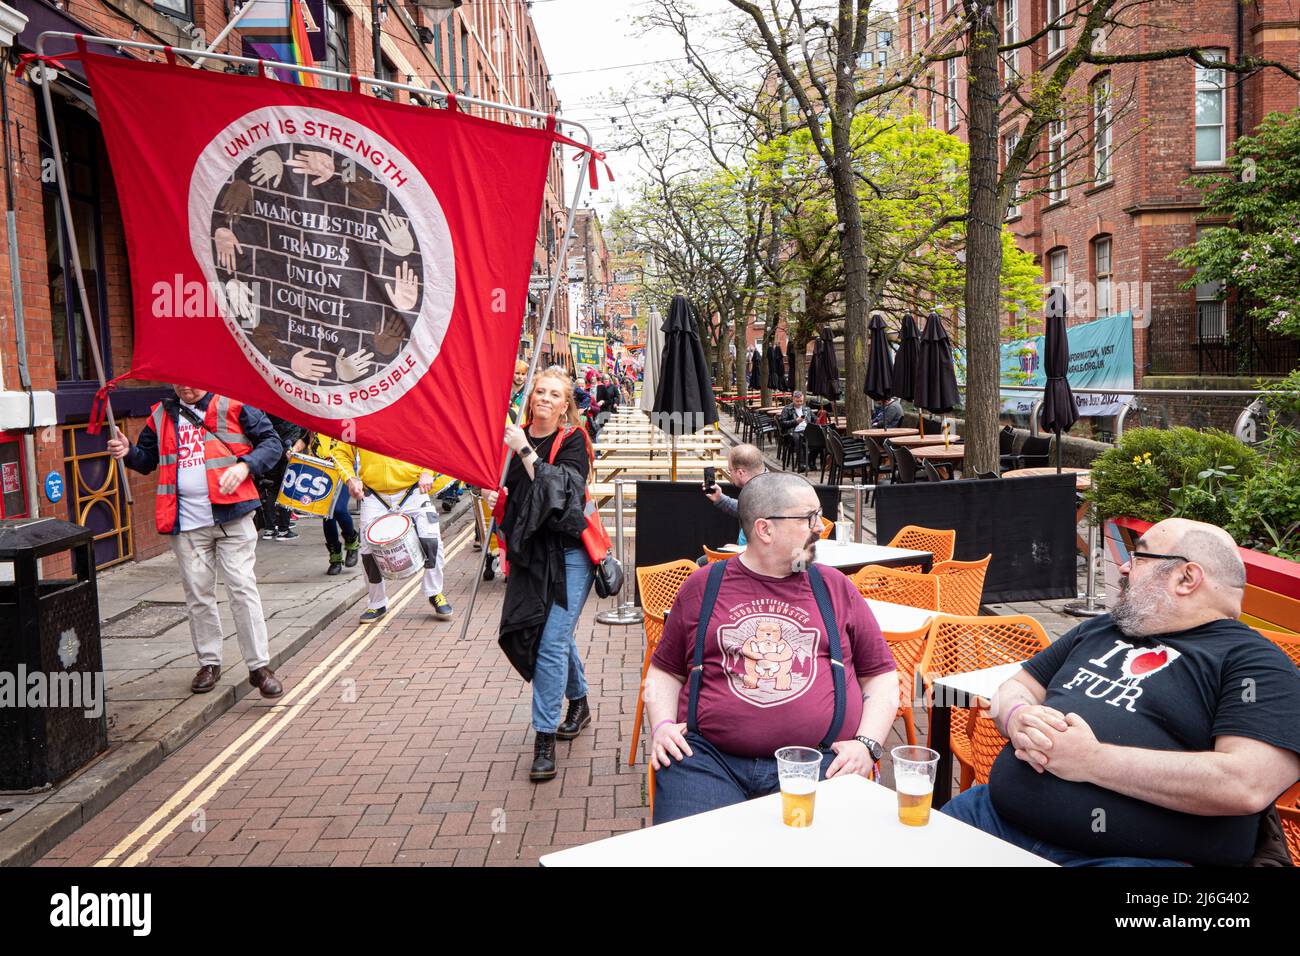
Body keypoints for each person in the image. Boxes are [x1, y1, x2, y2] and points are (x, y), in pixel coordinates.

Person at [943, 518, 1300, 866]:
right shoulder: (1104, 628)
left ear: (1187, 577)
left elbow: (1246, 783)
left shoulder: (1256, 664)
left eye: (1140, 557)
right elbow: (1017, 686)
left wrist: (1092, 761)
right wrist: (1017, 716)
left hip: (1130, 859)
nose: (1126, 567)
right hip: (992, 817)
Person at [645, 472, 899, 824]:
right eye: (809, 517)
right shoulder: (703, 586)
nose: (820, 527)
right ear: (765, 530)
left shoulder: (834, 587)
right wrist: (662, 727)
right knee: (691, 852)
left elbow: (882, 676)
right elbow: (665, 670)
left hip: (821, 762)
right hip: (708, 761)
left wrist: (867, 744)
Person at [107, 385, 285, 698]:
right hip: (187, 524)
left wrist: (246, 466)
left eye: (191, 381)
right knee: (198, 594)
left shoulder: (233, 402)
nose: (186, 388)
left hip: (232, 516)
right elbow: (147, 460)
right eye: (178, 382)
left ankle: (259, 667)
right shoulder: (160, 414)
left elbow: (272, 444)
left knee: (241, 588)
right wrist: (128, 452)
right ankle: (209, 662)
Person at [485, 366, 597, 783]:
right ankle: (580, 701)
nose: (545, 399)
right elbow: (513, 495)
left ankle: (544, 737)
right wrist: (494, 489)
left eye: (554, 394)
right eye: (540, 392)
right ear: (531, 397)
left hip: (571, 554)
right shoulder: (513, 438)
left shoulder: (573, 440)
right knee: (546, 633)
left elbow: (563, 495)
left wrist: (526, 452)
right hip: (532, 554)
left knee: (549, 642)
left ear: (566, 403)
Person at [331, 442, 454, 623]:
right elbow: (340, 453)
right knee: (367, 553)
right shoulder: (357, 417)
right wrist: (350, 479)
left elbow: (434, 441)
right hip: (373, 494)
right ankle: (377, 603)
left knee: (432, 540)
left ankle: (435, 592)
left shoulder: (413, 414)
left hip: (412, 490)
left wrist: (428, 471)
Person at [297, 431, 359, 576]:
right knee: (327, 514)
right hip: (318, 469)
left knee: (338, 509)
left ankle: (352, 540)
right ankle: (335, 558)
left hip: (342, 466)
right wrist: (294, 450)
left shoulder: (345, 414)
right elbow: (304, 438)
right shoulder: (312, 415)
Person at [703, 443, 766, 548]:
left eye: (730, 470)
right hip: (746, 553)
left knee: (702, 562)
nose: (730, 474)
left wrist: (740, 550)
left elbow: (768, 544)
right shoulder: (758, 485)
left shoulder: (765, 495)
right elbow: (746, 510)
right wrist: (720, 498)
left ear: (740, 473)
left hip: (752, 558)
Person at [257, 412, 306, 540]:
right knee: (287, 488)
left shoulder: (268, 406)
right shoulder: (289, 405)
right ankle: (284, 529)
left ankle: (270, 528)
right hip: (289, 447)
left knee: (273, 488)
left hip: (272, 446)